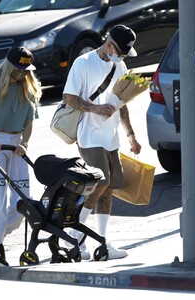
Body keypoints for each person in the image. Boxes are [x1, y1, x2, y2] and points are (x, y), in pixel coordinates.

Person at [62, 25, 141, 260]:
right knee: (101, 182)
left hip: (111, 136)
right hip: (90, 135)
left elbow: (122, 102)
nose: (122, 57)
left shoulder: (120, 65)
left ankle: (102, 244)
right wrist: (95, 108)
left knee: (109, 190)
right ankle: (75, 237)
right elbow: (68, 97)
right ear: (109, 45)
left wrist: (131, 135)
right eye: (121, 52)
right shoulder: (83, 63)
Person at [0, 46, 42, 267]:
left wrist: (25, 143)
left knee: (22, 203)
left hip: (17, 144)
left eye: (26, 69)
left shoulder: (28, 88)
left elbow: (29, 122)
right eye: (19, 69)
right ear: (9, 65)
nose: (23, 73)